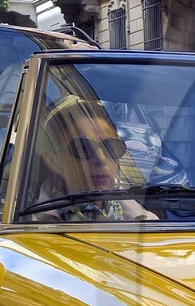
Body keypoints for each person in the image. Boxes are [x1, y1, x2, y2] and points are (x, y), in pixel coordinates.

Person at [25, 94, 156, 222]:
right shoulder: (30, 232)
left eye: (110, 146)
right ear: (53, 161)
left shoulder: (147, 225)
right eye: (83, 147)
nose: (101, 159)